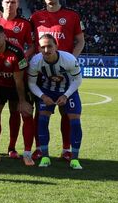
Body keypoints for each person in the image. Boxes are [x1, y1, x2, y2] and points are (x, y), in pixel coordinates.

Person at [30, 0, 85, 162]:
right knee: (41, 112)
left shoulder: (72, 16)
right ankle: (40, 149)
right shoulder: (36, 17)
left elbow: (80, 41)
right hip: (42, 74)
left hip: (65, 73)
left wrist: (71, 61)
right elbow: (30, 42)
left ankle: (66, 149)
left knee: (66, 113)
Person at [0, 0, 35, 159]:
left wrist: (21, 58)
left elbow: (32, 46)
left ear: (18, 4)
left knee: (16, 112)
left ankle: (12, 147)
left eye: (13, 2)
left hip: (18, 76)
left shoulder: (24, 24)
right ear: (2, 3)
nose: (10, 5)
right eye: (7, 2)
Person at [28, 34, 84, 170]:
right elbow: (31, 83)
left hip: (68, 90)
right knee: (42, 120)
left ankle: (75, 158)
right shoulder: (36, 61)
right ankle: (45, 156)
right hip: (47, 90)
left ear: (56, 46)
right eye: (42, 47)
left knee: (75, 121)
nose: (46, 50)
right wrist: (43, 96)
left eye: (49, 46)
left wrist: (66, 95)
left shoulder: (68, 59)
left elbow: (78, 80)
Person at [0, 25, 33, 165]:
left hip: (17, 86)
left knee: (25, 113)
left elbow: (19, 80)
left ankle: (25, 154)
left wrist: (22, 101)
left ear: (4, 37)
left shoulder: (16, 52)